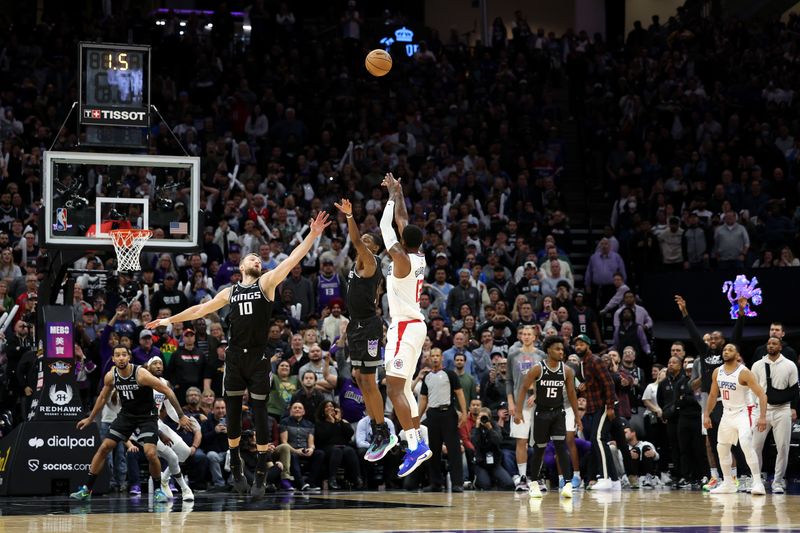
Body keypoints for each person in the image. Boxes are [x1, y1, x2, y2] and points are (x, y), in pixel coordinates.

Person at [146, 211, 331, 497]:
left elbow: (293, 258)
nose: (257, 259)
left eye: (259, 258)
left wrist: (313, 235)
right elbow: (199, 310)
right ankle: (235, 461)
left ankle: (259, 470)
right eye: (252, 258)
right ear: (242, 265)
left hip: (258, 358)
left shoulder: (267, 282)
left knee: (259, 414)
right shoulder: (229, 291)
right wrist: (168, 321)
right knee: (231, 411)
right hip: (234, 356)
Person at [70, 346, 192, 501]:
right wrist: (90, 418)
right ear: (113, 359)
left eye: (123, 355)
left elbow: (167, 391)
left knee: (150, 453)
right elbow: (102, 398)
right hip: (127, 415)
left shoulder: (141, 374)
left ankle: (157, 491)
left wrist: (181, 415)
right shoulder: (111, 376)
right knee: (104, 447)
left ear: (129, 358)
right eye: (117, 355)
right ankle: (87, 490)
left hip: (147, 416)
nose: (120, 358)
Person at [379, 173, 432, 477]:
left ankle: (413, 444)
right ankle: (417, 444)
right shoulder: (418, 255)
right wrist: (398, 191)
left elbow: (388, 225)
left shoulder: (400, 257)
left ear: (403, 243)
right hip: (414, 325)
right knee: (405, 388)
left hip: (404, 327)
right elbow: (403, 221)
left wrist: (388, 197)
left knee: (394, 387)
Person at [675, 294, 744, 491]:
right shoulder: (705, 354)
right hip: (708, 399)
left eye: (717, 338)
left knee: (728, 439)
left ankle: (733, 477)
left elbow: (737, 334)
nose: (713, 340)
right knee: (709, 441)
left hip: (726, 398)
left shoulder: (728, 355)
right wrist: (685, 311)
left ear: (724, 342)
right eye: (711, 338)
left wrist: (740, 313)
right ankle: (715, 476)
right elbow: (693, 333)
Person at [513, 336, 581, 498]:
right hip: (541, 413)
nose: (561, 352)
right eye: (557, 349)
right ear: (548, 351)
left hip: (558, 413)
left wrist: (577, 416)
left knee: (561, 448)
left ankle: (568, 483)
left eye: (562, 349)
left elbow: (572, 394)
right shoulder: (537, 369)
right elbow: (523, 388)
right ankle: (534, 483)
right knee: (539, 449)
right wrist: (518, 411)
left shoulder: (567, 371)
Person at [703, 343, 768, 496]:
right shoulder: (717, 372)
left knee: (745, 443)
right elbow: (713, 395)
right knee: (721, 447)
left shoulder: (744, 372)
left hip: (745, 412)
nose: (726, 352)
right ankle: (728, 483)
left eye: (730, 349)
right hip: (727, 413)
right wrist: (706, 414)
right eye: (724, 350)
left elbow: (762, 395)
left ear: (737, 355)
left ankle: (758, 483)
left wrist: (763, 417)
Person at [749, 337, 799, 494]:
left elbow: (794, 391)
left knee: (783, 447)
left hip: (783, 409)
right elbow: (752, 389)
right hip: (762, 410)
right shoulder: (757, 365)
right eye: (769, 344)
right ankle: (756, 480)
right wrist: (754, 409)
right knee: (755, 446)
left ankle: (777, 481)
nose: (770, 346)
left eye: (774, 344)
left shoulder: (790, 365)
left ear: (781, 347)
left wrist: (793, 408)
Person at [418, 348, 467, 492]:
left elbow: (459, 393)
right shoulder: (427, 377)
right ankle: (435, 483)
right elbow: (423, 399)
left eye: (437, 356)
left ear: (442, 358)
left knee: (454, 450)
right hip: (432, 415)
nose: (434, 358)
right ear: (429, 359)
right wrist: (417, 418)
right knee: (433, 450)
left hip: (448, 413)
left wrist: (464, 412)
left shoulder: (450, 374)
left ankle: (457, 483)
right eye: (432, 356)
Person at [574, 334, 618, 490]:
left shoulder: (595, 360)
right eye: (576, 345)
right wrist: (584, 385)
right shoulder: (582, 364)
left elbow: (609, 384)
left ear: (588, 345)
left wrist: (611, 406)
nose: (578, 347)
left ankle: (605, 478)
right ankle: (613, 479)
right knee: (597, 442)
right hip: (592, 408)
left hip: (603, 406)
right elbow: (593, 382)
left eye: (581, 344)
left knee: (598, 439)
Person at [146, 357, 194, 501]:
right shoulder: (143, 382)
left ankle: (164, 479)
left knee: (185, 452)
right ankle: (185, 489)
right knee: (172, 457)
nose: (158, 366)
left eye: (160, 363)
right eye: (154, 363)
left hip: (158, 423)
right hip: (144, 426)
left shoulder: (165, 383)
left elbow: (170, 409)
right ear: (148, 368)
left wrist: (181, 419)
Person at [505, 325, 543, 491]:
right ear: (520, 336)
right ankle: (522, 477)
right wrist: (511, 402)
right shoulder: (513, 355)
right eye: (524, 334)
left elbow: (545, 378)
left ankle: (537, 477)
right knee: (521, 441)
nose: (526, 336)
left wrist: (537, 395)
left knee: (538, 442)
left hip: (538, 404)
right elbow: (509, 381)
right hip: (519, 405)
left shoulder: (541, 355)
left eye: (529, 334)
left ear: (534, 337)